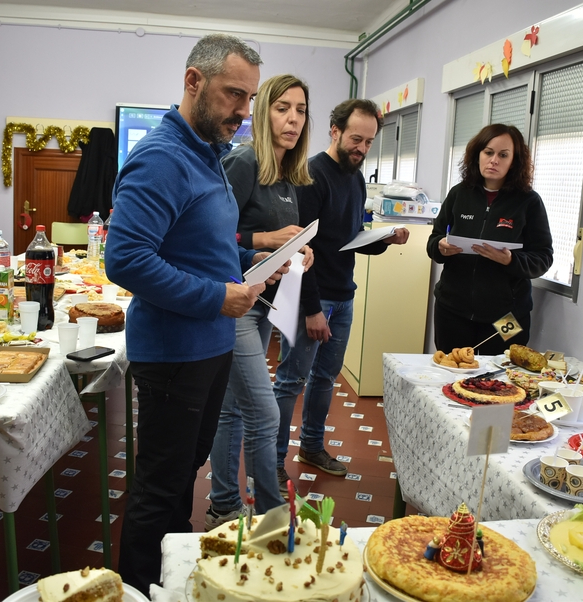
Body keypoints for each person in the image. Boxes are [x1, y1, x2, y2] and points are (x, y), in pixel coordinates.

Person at [105, 34, 286, 594]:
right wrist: (216, 296)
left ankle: (169, 569)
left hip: (208, 347)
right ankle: (136, 586)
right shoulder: (162, 158)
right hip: (174, 352)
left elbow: (200, 247)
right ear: (193, 82)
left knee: (183, 474)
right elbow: (126, 259)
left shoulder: (209, 155)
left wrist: (251, 259)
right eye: (234, 94)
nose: (243, 111)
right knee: (159, 485)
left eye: (250, 98)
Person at [274, 99, 409, 491]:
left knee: (325, 378)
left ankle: (312, 446)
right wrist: (312, 309)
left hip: (343, 297)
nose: (362, 149)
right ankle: (274, 458)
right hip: (310, 297)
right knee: (289, 380)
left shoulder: (355, 176)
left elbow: (346, 242)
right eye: (356, 139)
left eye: (369, 142)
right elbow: (301, 249)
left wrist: (385, 239)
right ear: (334, 130)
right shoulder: (311, 174)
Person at [206, 74, 315, 528]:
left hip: (266, 301)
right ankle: (271, 516)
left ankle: (224, 506)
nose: (292, 119)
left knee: (233, 410)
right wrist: (267, 238)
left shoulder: (288, 174)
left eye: (301, 110)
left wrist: (298, 250)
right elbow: (212, 238)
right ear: (262, 111)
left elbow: (272, 243)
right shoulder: (243, 161)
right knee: (266, 412)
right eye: (282, 108)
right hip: (236, 304)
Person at [427, 123, 553, 355]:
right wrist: (440, 247)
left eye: (503, 155)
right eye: (488, 152)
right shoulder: (458, 194)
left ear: (514, 161)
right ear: (477, 155)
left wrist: (509, 260)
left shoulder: (529, 202)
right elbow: (434, 240)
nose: (494, 160)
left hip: (507, 317)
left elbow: (543, 258)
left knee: (498, 380)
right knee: (450, 374)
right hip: (452, 310)